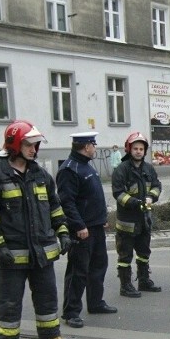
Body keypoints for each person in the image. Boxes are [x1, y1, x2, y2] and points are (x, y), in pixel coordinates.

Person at [0, 120, 73, 339]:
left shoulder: (41, 175)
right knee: (10, 301)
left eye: (36, 144)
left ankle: (51, 334)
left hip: (41, 253)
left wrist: (62, 232)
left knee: (47, 296)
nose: (34, 149)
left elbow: (54, 207)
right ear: (15, 145)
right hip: (12, 253)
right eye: (29, 144)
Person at [56, 131, 117, 328]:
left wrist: (101, 219)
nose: (96, 148)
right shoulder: (69, 169)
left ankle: (95, 302)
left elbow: (92, 196)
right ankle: (71, 311)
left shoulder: (85, 166)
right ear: (86, 146)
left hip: (95, 227)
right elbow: (67, 202)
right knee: (78, 271)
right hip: (82, 230)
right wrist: (78, 225)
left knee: (98, 266)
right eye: (94, 145)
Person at [112, 131, 163, 298]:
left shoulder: (148, 168)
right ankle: (125, 285)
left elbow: (156, 185)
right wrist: (137, 203)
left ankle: (143, 280)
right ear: (129, 149)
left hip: (144, 220)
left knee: (144, 252)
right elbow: (119, 194)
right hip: (127, 221)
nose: (139, 151)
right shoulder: (121, 170)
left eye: (141, 148)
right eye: (135, 148)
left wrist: (151, 197)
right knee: (125, 255)